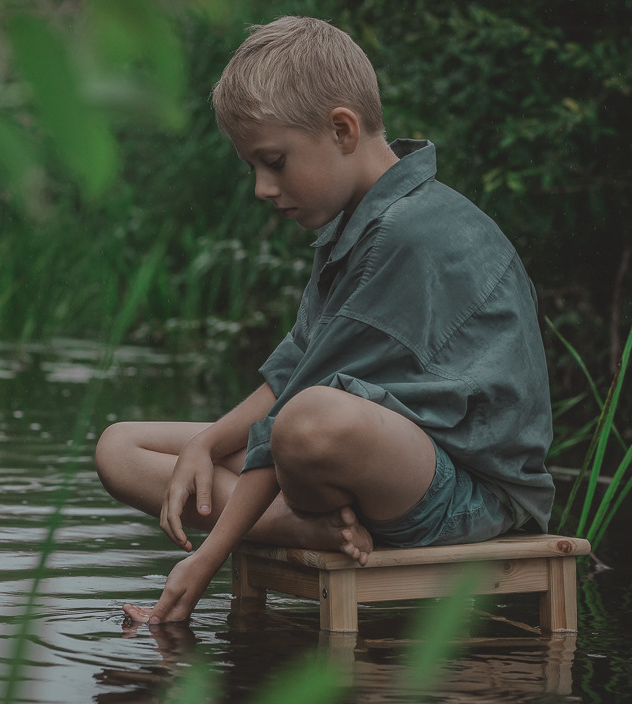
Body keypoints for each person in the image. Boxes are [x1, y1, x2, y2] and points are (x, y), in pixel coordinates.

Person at [95, 15, 555, 626]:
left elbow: (299, 409)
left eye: (275, 162)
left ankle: (290, 518)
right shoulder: (355, 223)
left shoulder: (409, 233)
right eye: (254, 168)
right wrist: (207, 443)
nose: (262, 188)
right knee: (121, 448)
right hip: (373, 462)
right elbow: (293, 373)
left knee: (311, 422)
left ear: (342, 129)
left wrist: (207, 557)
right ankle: (299, 523)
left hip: (466, 492)